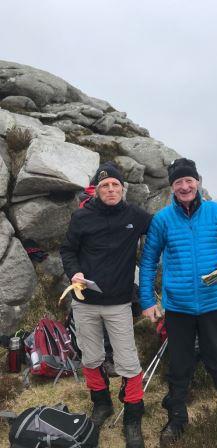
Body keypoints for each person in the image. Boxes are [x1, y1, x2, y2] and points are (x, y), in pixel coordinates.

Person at [139, 158, 217, 446]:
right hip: (178, 308)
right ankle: (177, 418)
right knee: (180, 363)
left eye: (189, 181)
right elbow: (148, 262)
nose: (185, 186)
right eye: (179, 182)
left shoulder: (215, 212)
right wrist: (147, 300)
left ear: (198, 182)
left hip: (213, 303)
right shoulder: (162, 219)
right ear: (172, 186)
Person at [60, 161, 152, 448]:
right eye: (105, 186)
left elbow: (164, 230)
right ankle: (101, 404)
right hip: (84, 300)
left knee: (127, 359)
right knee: (90, 357)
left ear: (122, 189)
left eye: (115, 185)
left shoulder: (135, 216)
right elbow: (68, 250)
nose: (111, 190)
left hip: (119, 303)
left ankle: (133, 416)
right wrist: (73, 271)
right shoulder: (82, 217)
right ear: (96, 190)